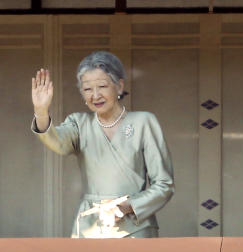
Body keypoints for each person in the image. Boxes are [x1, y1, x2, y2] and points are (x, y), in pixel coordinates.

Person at [31, 51, 174, 238]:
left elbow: (164, 184)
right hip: (90, 227)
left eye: (102, 86)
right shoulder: (79, 124)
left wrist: (127, 206)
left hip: (135, 227)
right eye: (87, 89)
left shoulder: (144, 122)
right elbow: (58, 142)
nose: (95, 95)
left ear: (119, 86)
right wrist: (41, 112)